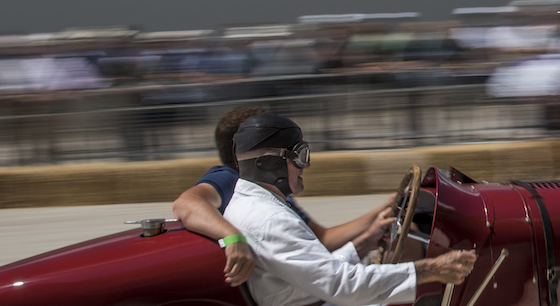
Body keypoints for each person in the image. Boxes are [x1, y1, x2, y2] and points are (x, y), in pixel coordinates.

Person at [221, 113, 475, 306]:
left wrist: (365, 242)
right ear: (269, 163)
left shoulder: (253, 203)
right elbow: (342, 286)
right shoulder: (270, 219)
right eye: (300, 156)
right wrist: (431, 269)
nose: (305, 166)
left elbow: (315, 272)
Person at [171, 106, 399, 286]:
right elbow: (186, 203)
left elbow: (323, 239)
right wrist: (232, 237)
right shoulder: (231, 177)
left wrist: (384, 210)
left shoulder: (271, 190)